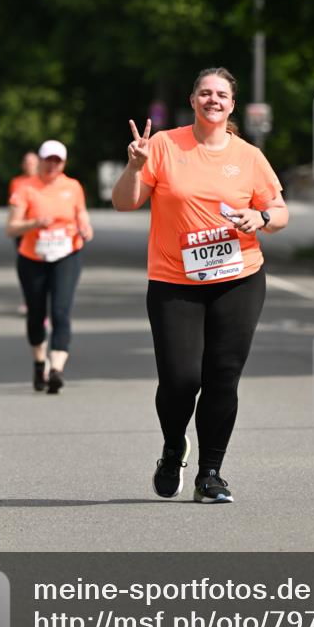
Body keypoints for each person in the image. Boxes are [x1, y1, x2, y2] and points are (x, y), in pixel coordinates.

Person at [112, 67, 289, 504]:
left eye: (222, 94)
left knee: (222, 377)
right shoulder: (163, 146)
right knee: (180, 379)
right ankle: (174, 448)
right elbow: (124, 202)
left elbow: (280, 211)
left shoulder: (249, 156)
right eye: (205, 93)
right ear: (193, 100)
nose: (213, 100)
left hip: (239, 277)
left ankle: (211, 473)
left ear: (232, 105)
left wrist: (262, 218)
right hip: (175, 281)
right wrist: (135, 166)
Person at [7, 140, 93, 393]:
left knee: (60, 311)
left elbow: (82, 214)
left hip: (67, 254)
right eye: (48, 160)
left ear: (64, 163)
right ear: (41, 161)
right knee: (36, 314)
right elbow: (11, 227)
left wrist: (86, 227)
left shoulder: (73, 186)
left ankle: (56, 369)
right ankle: (38, 363)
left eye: (58, 160)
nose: (53, 165)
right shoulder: (25, 188)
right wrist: (34, 223)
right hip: (32, 258)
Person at [8, 152, 41, 315]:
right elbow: (14, 207)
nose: (30, 165)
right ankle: (27, 299)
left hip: (41, 231)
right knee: (26, 266)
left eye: (33, 162)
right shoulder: (17, 182)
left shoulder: (45, 182)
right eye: (27, 162)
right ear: (23, 165)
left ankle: (42, 301)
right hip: (23, 230)